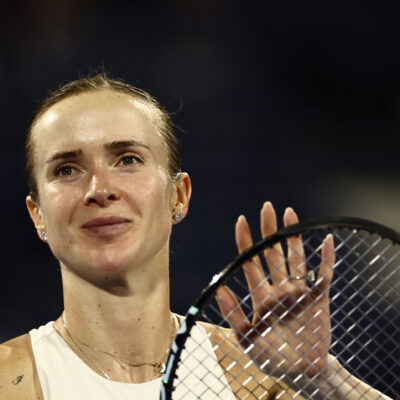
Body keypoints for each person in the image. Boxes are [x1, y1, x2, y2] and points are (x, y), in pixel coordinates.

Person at [0, 74, 392, 400]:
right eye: (67, 169)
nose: (99, 189)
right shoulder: (8, 381)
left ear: (179, 196)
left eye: (128, 160)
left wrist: (322, 378)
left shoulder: (258, 378)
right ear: (38, 215)